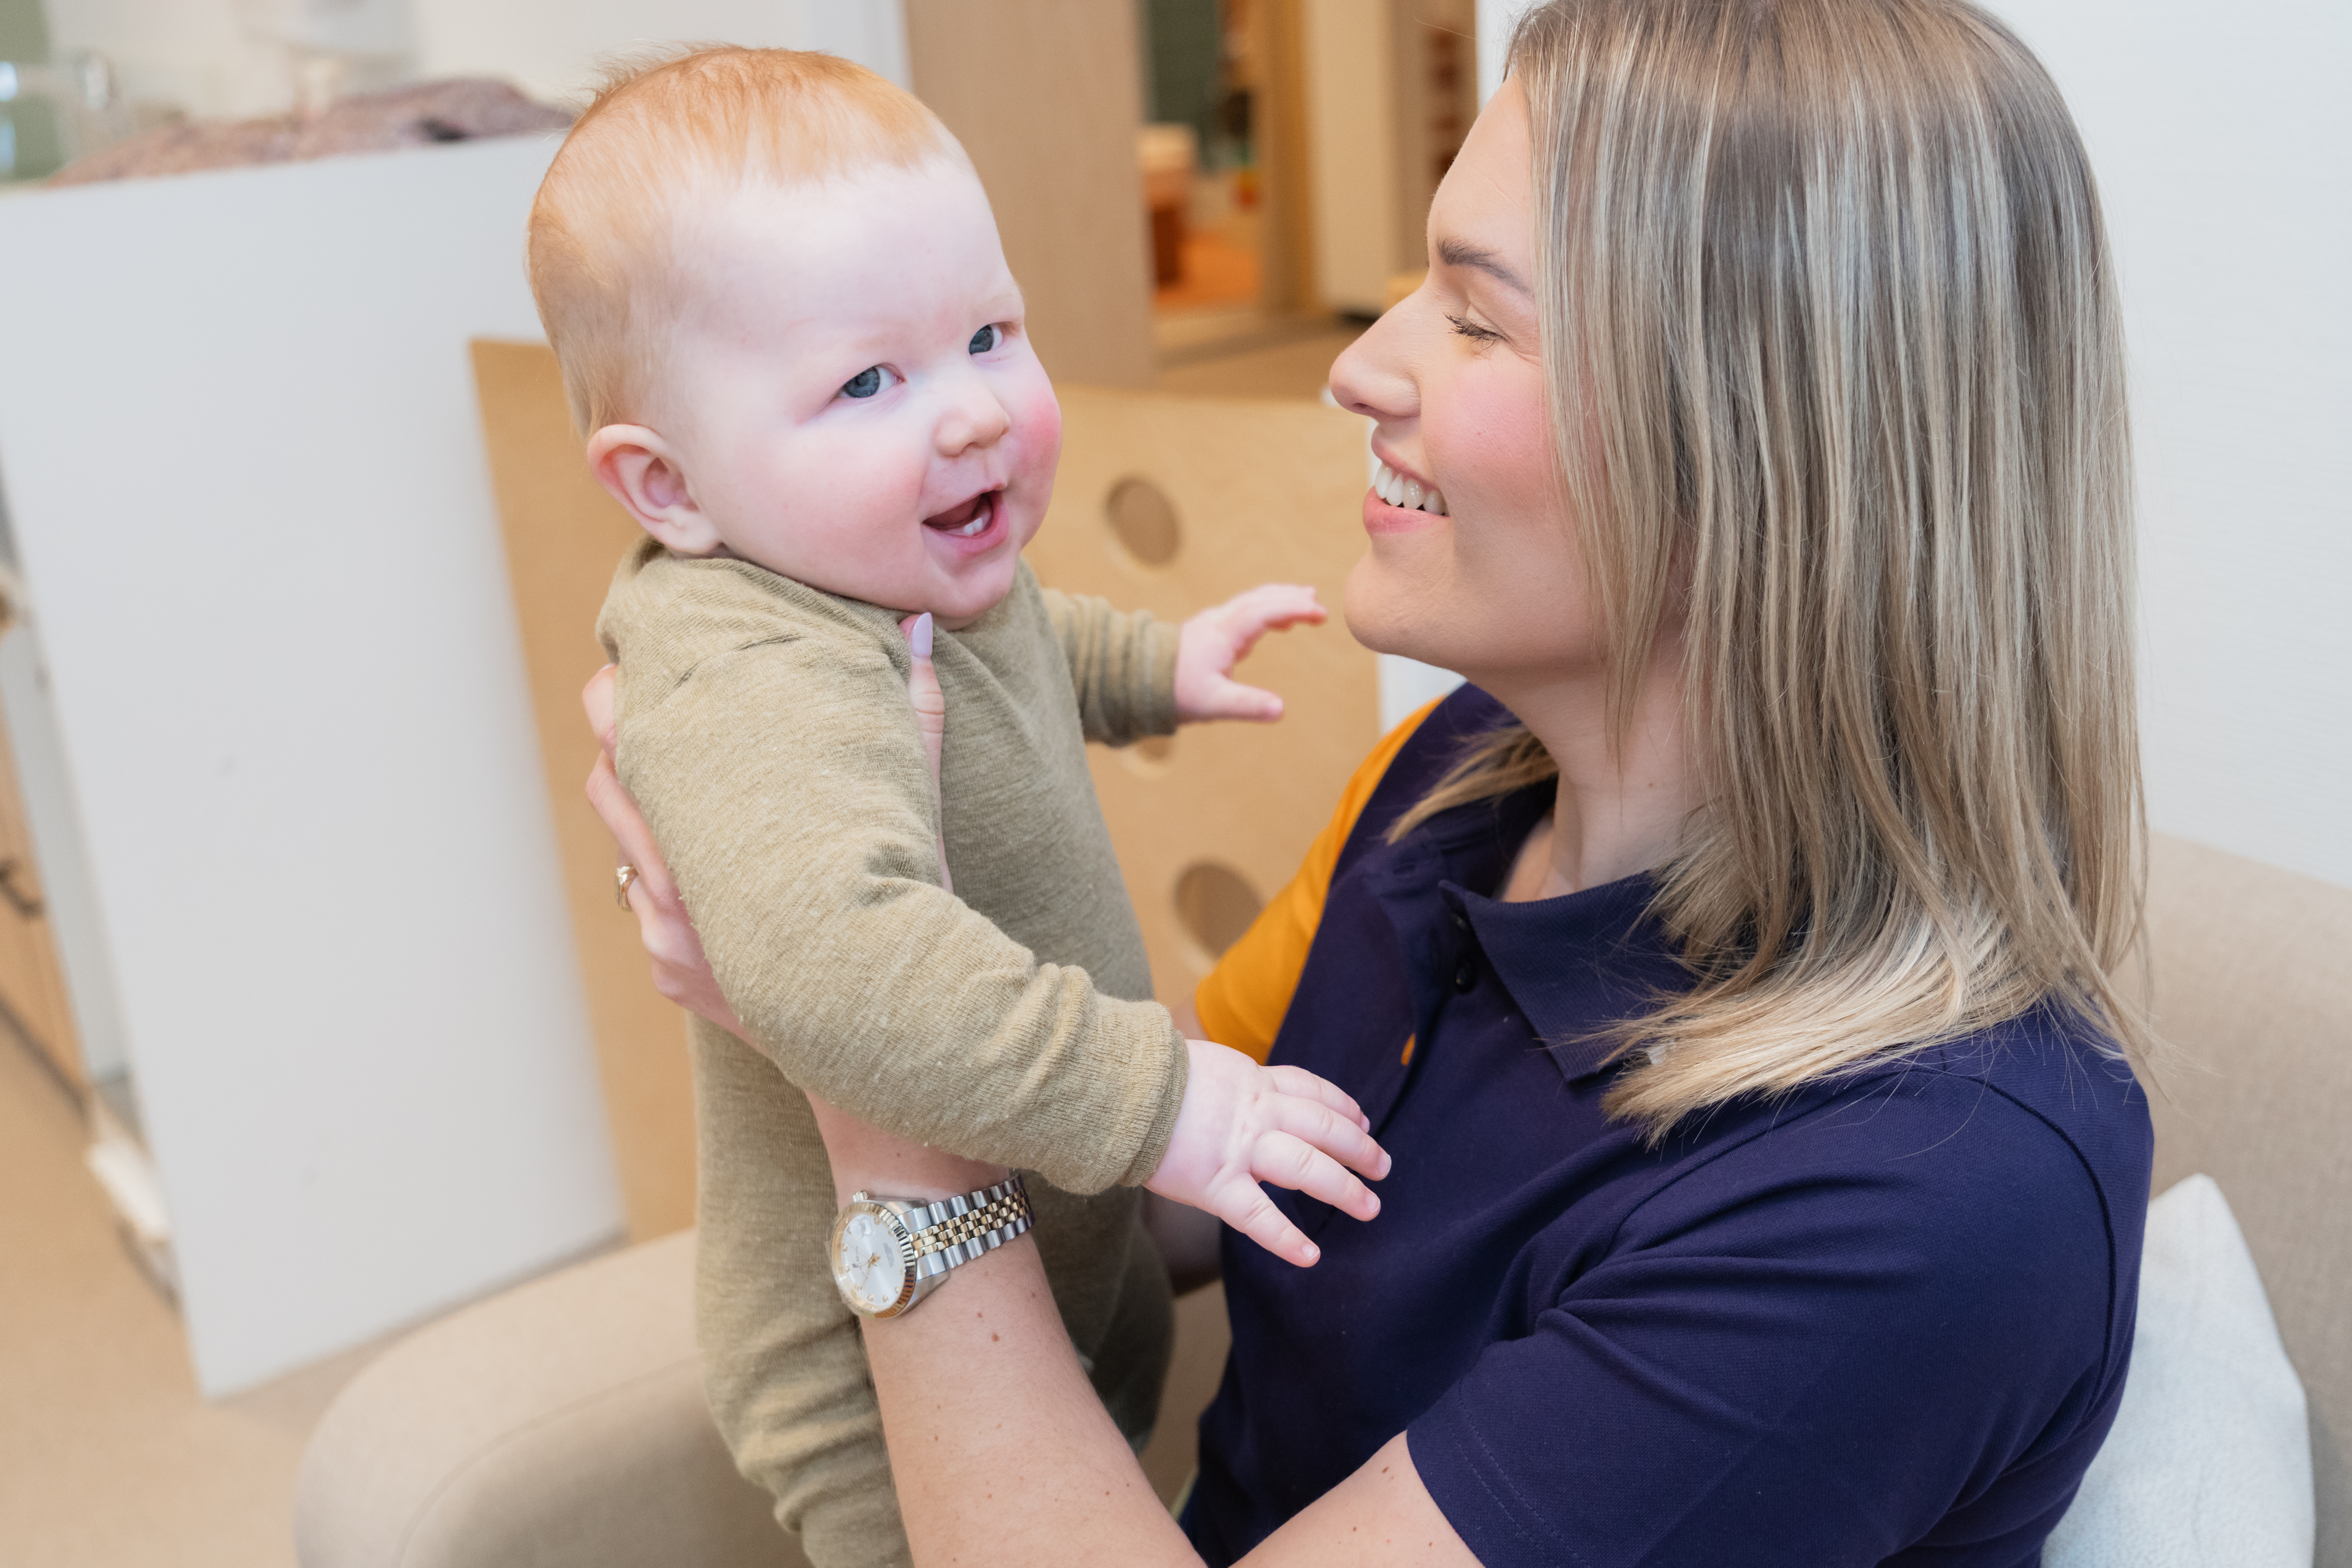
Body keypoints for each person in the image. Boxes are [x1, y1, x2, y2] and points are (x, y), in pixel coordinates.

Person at [587, 0, 2156, 1561]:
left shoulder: (1925, 1200)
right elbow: (1197, 1177)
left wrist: (888, 1121)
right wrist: (883, 954)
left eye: (1474, 317)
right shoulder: (1452, 776)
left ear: (1765, 453)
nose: (1356, 366)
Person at [535, 49, 1387, 1568]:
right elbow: (829, 963)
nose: (976, 414)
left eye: (992, 334)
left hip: (1059, 1251)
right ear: (668, 490)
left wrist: (1154, 666)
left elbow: (1025, 641)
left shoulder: (884, 555)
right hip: (869, 1363)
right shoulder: (748, 660)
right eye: (870, 381)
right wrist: (1166, 1103)